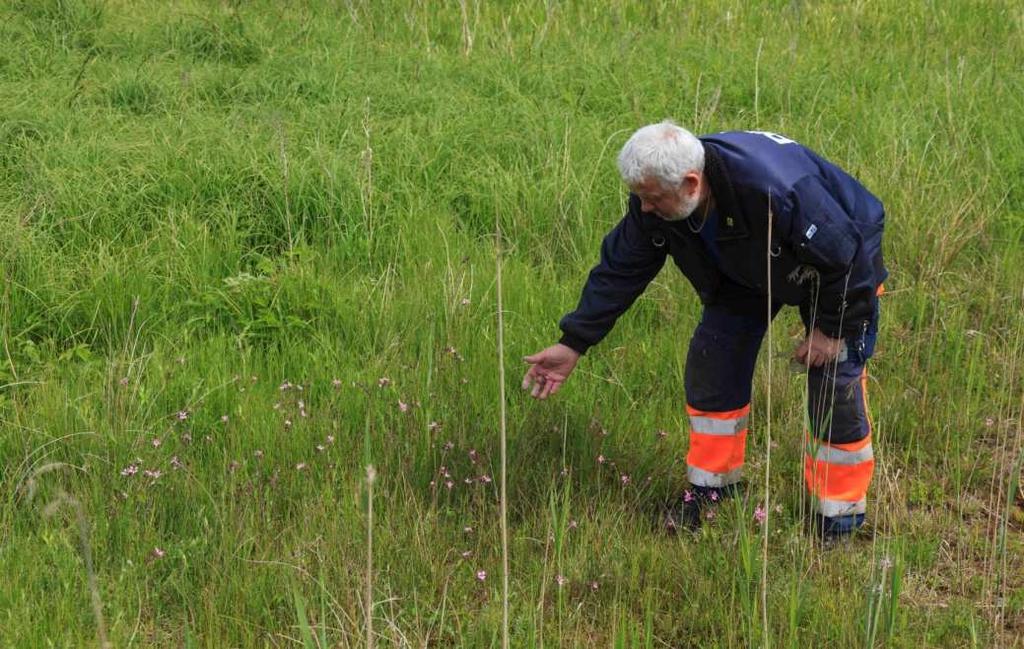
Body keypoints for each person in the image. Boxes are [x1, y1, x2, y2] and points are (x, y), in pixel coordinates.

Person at [521, 121, 886, 538]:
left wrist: (830, 329)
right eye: (639, 197)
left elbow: (848, 258)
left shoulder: (779, 191)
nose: (644, 209)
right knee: (714, 360)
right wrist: (574, 342)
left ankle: (838, 518)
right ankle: (715, 493)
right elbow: (621, 269)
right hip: (746, 267)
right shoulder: (659, 198)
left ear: (692, 183)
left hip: (841, 266)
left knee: (834, 380)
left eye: (652, 199)